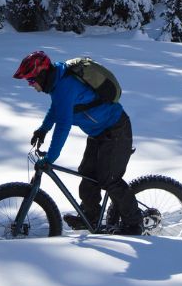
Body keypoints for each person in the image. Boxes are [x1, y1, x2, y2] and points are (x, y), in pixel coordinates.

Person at [13, 50, 142, 235]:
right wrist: (43, 129)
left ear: (41, 74)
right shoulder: (58, 82)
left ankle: (134, 224)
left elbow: (64, 125)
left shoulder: (65, 85)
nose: (31, 85)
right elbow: (57, 108)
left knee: (109, 179)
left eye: (31, 81)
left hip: (116, 130)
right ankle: (91, 216)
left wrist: (51, 157)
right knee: (88, 173)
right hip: (99, 133)